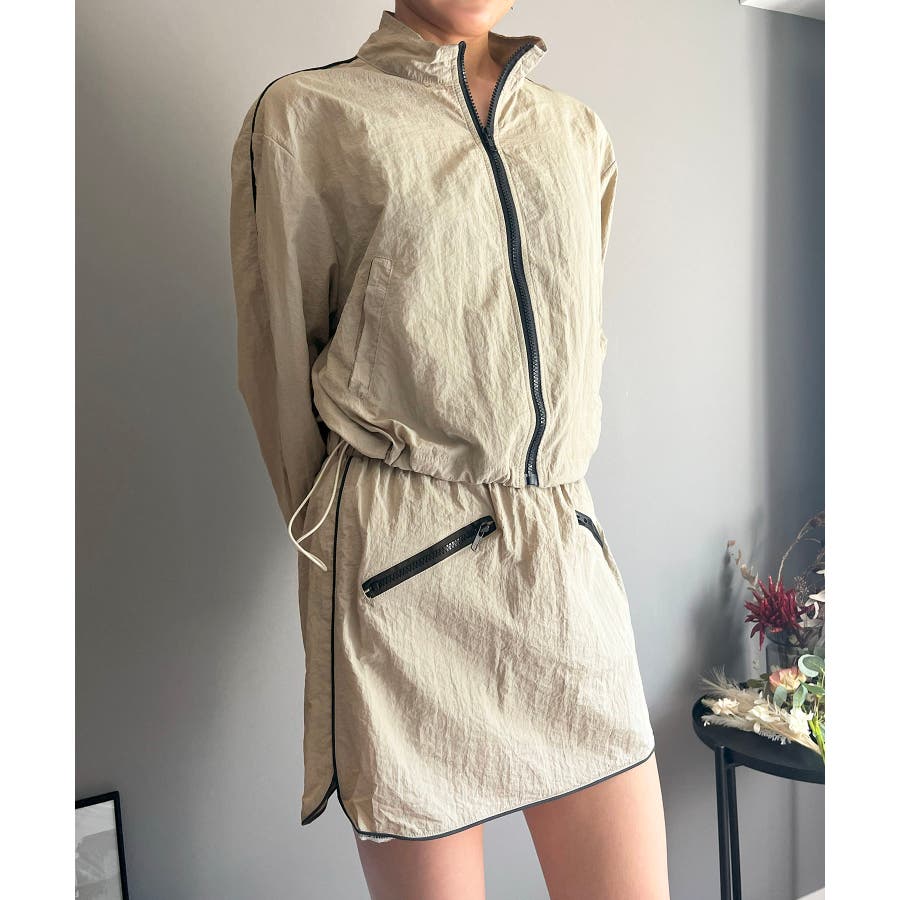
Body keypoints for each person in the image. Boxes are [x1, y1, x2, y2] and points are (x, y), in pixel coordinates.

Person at [229, 2, 670, 897]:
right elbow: (278, 378)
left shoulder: (577, 133)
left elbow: (578, 342)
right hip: (402, 583)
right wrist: (356, 545)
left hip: (561, 563)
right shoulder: (308, 117)